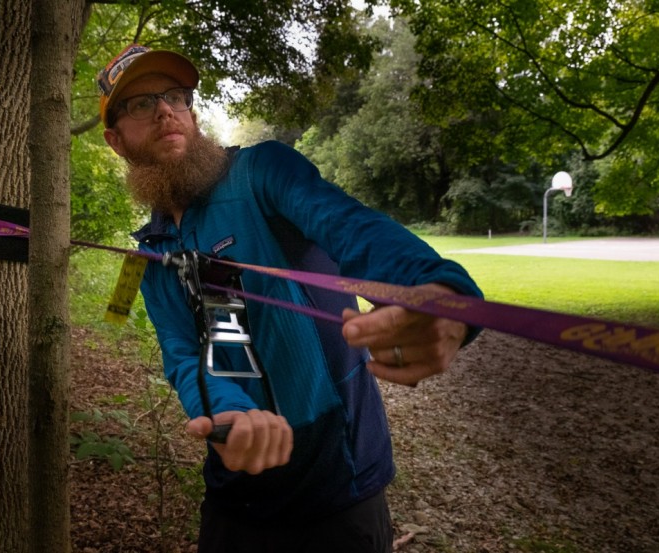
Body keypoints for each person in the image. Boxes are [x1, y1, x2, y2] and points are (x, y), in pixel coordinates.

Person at [98, 44, 483, 553]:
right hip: (234, 497)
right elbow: (183, 354)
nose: (167, 110)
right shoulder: (147, 255)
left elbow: (348, 225)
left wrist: (438, 288)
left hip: (338, 485)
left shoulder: (262, 172)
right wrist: (231, 418)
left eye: (176, 96)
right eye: (141, 104)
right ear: (115, 139)